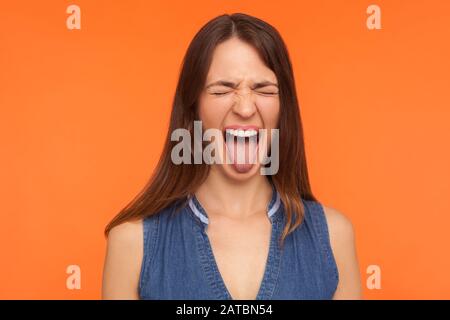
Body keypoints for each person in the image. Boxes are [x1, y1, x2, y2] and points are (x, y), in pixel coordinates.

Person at [102, 13, 362, 300]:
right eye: (223, 89)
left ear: (282, 108)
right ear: (193, 107)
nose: (246, 108)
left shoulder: (335, 236)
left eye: (263, 89)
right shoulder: (131, 243)